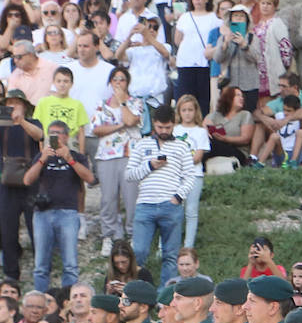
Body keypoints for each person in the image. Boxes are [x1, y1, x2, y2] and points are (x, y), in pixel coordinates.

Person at [126, 105, 193, 284]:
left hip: (170, 205)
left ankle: (166, 299)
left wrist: (177, 198)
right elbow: (129, 174)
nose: (163, 131)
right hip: (145, 205)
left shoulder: (182, 147)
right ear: (154, 124)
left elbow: (189, 177)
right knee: (138, 252)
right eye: (160, 127)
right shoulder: (142, 144)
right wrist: (149, 165)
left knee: (171, 256)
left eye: (168, 128)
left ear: (174, 124)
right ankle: (136, 293)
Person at [22, 118, 90, 291]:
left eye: (57, 133)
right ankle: (40, 301)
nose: (54, 137)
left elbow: (89, 178)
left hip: (68, 213)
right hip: (42, 213)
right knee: (41, 265)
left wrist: (69, 159)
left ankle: (68, 304)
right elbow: (27, 180)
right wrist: (42, 159)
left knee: (70, 265)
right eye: (50, 134)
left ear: (66, 137)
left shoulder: (77, 157)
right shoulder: (42, 156)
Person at [90, 66, 142, 251]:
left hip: (130, 155)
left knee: (131, 197)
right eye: (115, 79)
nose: (118, 83)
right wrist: (118, 126)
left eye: (122, 79)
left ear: (127, 83)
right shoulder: (101, 105)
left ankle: (133, 233)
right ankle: (110, 235)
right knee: (108, 198)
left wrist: (122, 103)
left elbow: (131, 121)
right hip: (106, 156)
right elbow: (96, 129)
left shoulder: (135, 103)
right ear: (110, 83)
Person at [0, 88, 38, 281]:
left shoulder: (32, 122)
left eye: (17, 102)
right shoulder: (1, 125)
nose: (12, 106)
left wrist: (20, 121)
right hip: (6, 184)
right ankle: (11, 274)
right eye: (9, 103)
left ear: (24, 105)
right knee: (7, 230)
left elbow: (39, 136)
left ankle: (41, 269)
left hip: (30, 182)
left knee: (35, 228)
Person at [172, 0, 216, 113]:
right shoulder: (185, 17)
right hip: (186, 63)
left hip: (204, 64)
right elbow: (177, 39)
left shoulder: (214, 18)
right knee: (185, 99)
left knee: (203, 101)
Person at [171, 94, 208, 248]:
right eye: (184, 110)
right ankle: (167, 244)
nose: (187, 113)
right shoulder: (174, 130)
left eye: (190, 110)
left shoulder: (201, 132)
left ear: (195, 111)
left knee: (191, 210)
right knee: (173, 210)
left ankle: (188, 246)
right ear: (179, 112)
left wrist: (182, 162)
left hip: (194, 175)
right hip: (174, 175)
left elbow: (198, 156)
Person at [117, 13, 169, 115]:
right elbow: (118, 55)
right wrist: (130, 35)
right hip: (136, 100)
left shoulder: (164, 46)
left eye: (155, 27)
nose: (152, 30)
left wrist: (147, 35)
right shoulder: (134, 50)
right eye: (149, 26)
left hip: (155, 100)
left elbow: (166, 53)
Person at [214, 5, 260, 112]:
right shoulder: (223, 38)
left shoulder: (253, 38)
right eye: (235, 16)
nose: (238, 18)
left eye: (241, 16)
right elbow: (217, 59)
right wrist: (225, 44)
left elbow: (257, 58)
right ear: (230, 19)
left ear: (247, 20)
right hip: (229, 85)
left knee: (248, 115)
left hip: (249, 86)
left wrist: (244, 45)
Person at [249, 0, 290, 106]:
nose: (265, 6)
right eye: (263, 3)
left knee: (273, 104)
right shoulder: (257, 26)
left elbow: (285, 46)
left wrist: (283, 67)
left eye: (269, 4)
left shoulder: (277, 23)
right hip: (258, 72)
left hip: (273, 71)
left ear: (274, 6)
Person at [33, 65, 87, 149]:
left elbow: (81, 132)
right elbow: (40, 129)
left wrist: (82, 154)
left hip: (70, 141)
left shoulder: (77, 104)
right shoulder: (43, 102)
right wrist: (41, 152)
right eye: (59, 81)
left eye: (66, 81)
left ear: (71, 84)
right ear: (53, 82)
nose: (62, 84)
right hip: (50, 140)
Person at [205, 84, 253, 165]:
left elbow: (245, 139)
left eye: (242, 96)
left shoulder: (245, 114)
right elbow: (205, 125)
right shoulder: (216, 115)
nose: (241, 98)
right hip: (217, 146)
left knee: (212, 145)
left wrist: (225, 139)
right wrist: (207, 132)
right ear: (229, 98)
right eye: (238, 95)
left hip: (238, 151)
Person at [7, 40, 55, 105]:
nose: (15, 61)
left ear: (30, 55)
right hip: (27, 113)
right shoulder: (14, 76)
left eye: (19, 57)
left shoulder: (52, 68)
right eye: (14, 57)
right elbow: (12, 101)